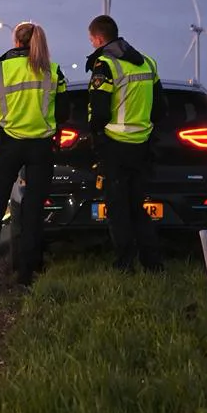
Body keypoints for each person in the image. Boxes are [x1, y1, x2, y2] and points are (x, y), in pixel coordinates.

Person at [0, 22, 65, 287]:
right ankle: (26, 275)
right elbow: (63, 112)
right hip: (40, 146)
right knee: (33, 211)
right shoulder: (53, 71)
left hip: (7, 145)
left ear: (16, 41)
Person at [85, 14, 164, 273]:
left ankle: (125, 264)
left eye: (91, 40)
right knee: (137, 206)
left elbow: (99, 112)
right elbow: (160, 108)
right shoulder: (148, 63)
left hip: (115, 145)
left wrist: (93, 134)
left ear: (99, 38)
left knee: (118, 209)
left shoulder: (105, 65)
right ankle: (153, 263)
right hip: (142, 145)